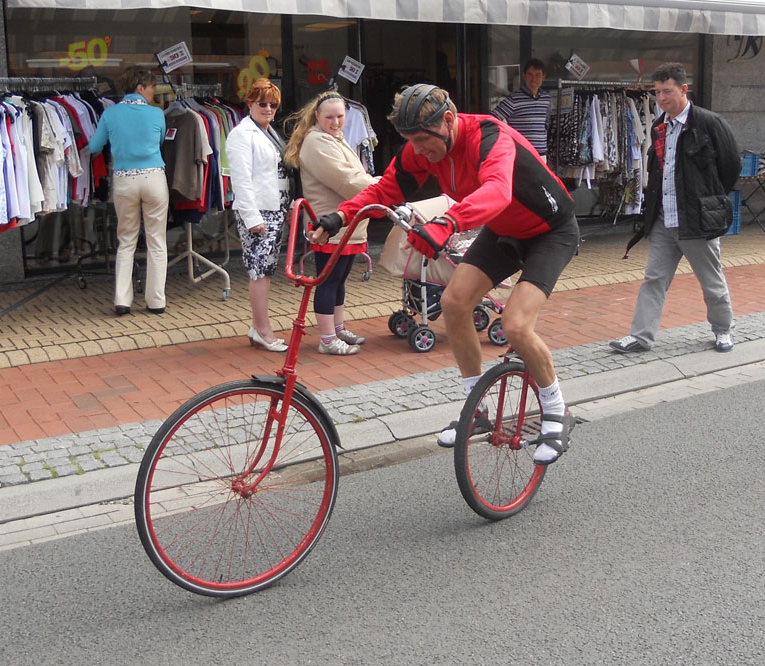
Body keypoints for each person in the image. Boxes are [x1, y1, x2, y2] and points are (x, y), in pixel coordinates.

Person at [310, 84, 579, 465]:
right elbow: (387, 188)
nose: (418, 151)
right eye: (410, 142)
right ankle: (477, 410)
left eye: (422, 140)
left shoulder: (490, 138)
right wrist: (341, 215)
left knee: (517, 325)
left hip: (550, 232)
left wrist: (446, 223)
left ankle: (556, 410)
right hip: (503, 231)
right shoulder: (422, 147)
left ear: (448, 121)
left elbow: (498, 191)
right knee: (453, 303)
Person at [608, 62, 740, 355]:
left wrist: (710, 198)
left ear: (683, 89)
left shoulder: (708, 122)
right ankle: (641, 336)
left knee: (711, 279)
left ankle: (723, 331)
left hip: (696, 219)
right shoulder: (658, 127)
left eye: (667, 91)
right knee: (654, 278)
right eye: (657, 92)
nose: (661, 98)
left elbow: (731, 166)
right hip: (663, 219)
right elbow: (658, 171)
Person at [284, 92, 378, 356]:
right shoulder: (317, 142)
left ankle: (336, 328)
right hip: (330, 225)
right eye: (330, 117)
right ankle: (327, 338)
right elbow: (346, 181)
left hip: (346, 223)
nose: (336, 122)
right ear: (317, 116)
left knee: (339, 279)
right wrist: (383, 188)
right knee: (327, 279)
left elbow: (352, 179)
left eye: (340, 116)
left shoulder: (334, 138)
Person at [88, 67, 169, 316]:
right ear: (140, 87)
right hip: (154, 177)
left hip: (124, 179)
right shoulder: (157, 114)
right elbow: (161, 140)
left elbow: (94, 146)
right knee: (157, 240)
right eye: (150, 86)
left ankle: (122, 300)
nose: (153, 91)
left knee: (126, 240)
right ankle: (155, 301)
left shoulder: (110, 114)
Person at [224, 78, 290, 353]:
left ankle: (258, 326)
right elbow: (240, 180)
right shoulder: (242, 134)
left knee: (266, 269)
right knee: (259, 270)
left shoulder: (269, 132)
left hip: (275, 207)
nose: (268, 108)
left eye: (272, 104)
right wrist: (252, 218)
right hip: (259, 211)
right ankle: (263, 330)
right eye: (261, 103)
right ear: (249, 103)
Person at [490, 58, 552, 160]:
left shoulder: (547, 99)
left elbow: (545, 124)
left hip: (541, 156)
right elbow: (493, 119)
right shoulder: (514, 99)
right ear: (524, 76)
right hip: (521, 155)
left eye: (538, 75)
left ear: (543, 77)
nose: (533, 79)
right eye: (530, 75)